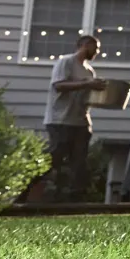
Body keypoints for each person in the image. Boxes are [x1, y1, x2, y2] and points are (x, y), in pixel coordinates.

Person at [46, 34, 106, 201]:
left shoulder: (89, 71)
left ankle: (74, 198)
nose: (98, 52)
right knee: (54, 159)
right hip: (60, 120)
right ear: (85, 45)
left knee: (79, 163)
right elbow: (58, 86)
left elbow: (86, 97)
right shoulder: (66, 62)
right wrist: (87, 84)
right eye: (96, 48)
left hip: (81, 122)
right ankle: (42, 193)